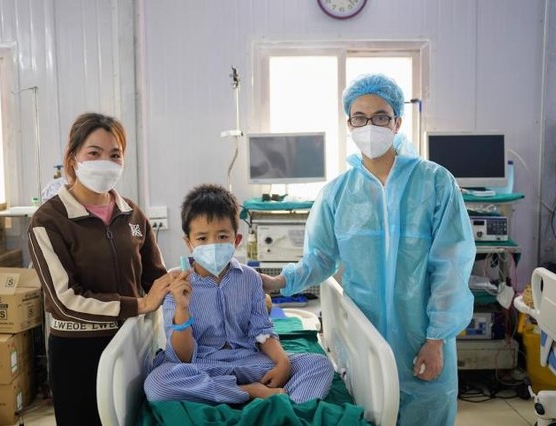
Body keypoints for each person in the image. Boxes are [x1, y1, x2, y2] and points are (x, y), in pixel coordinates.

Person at [261, 74, 476, 426]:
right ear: (349, 124)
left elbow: (450, 265)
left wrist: (436, 339)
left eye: (380, 116)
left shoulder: (435, 182)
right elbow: (321, 259)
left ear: (397, 122)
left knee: (428, 413)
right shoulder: (337, 193)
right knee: (373, 412)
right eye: (359, 117)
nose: (369, 125)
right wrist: (277, 282)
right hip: (366, 337)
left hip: (422, 334)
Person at [28, 112, 171, 426]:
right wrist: (139, 305)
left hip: (132, 343)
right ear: (73, 158)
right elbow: (65, 301)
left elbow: (155, 277)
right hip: (79, 351)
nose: (105, 162)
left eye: (115, 154)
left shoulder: (131, 214)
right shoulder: (49, 221)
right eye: (94, 153)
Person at [143, 184, 334, 404]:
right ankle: (251, 393)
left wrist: (283, 362)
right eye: (202, 238)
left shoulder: (250, 278)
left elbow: (261, 331)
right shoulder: (177, 284)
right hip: (202, 366)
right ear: (188, 242)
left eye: (222, 236)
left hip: (249, 361)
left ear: (237, 240)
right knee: (157, 384)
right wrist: (182, 308)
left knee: (318, 365)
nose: (213, 244)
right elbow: (182, 358)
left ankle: (282, 407)